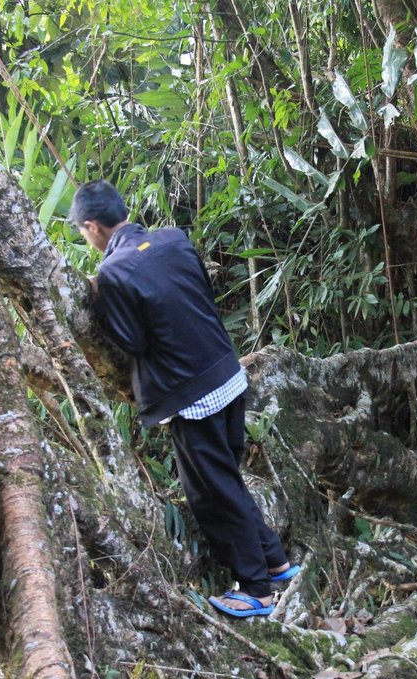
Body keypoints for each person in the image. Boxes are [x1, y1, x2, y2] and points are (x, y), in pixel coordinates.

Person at [70, 180, 299, 617]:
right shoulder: (174, 238)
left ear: (93, 227)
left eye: (84, 233)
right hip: (229, 374)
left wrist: (100, 300)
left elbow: (132, 342)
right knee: (226, 479)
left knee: (211, 495)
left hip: (193, 394)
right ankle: (276, 561)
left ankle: (257, 590)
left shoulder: (113, 274)